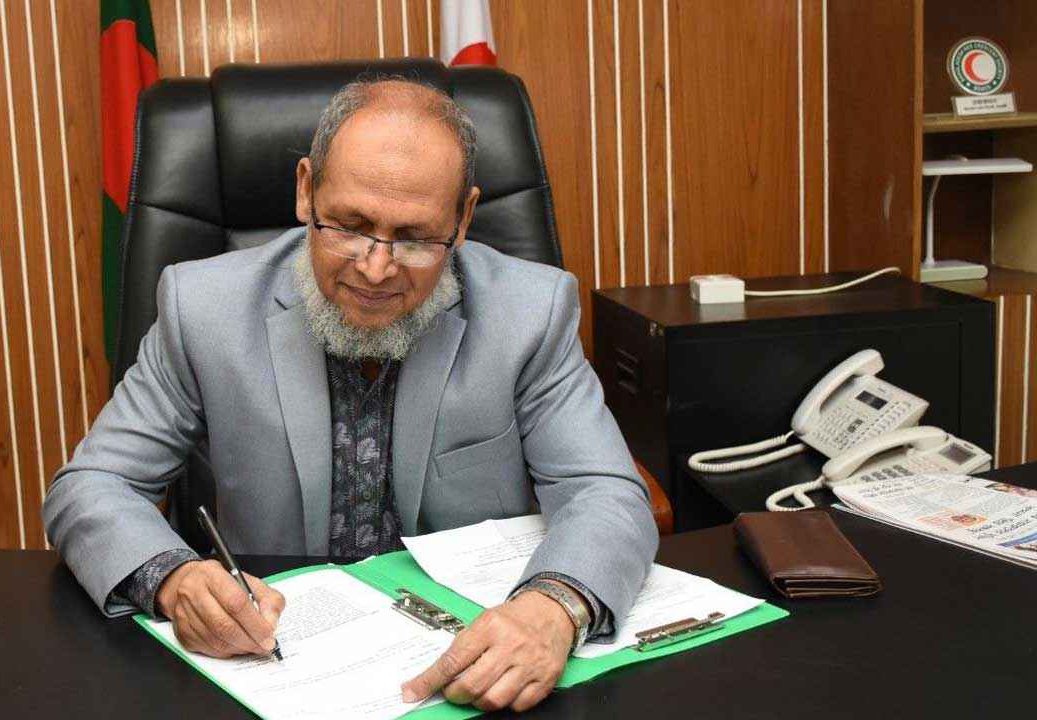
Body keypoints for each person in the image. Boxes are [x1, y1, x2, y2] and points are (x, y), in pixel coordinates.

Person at [44, 77, 657, 713]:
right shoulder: (203, 308)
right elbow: (93, 485)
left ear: (463, 220)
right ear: (306, 189)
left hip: (465, 670)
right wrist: (173, 578)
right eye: (349, 226)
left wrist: (554, 608)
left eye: (415, 238)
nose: (375, 268)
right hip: (276, 668)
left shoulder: (531, 311)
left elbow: (604, 490)